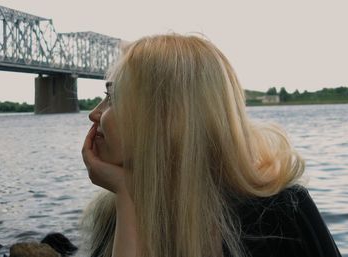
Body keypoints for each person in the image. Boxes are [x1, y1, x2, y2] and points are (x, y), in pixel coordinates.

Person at [81, 34, 342, 257]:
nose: (94, 113)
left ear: (166, 119)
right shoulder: (113, 213)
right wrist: (129, 197)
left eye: (113, 98)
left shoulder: (279, 217)